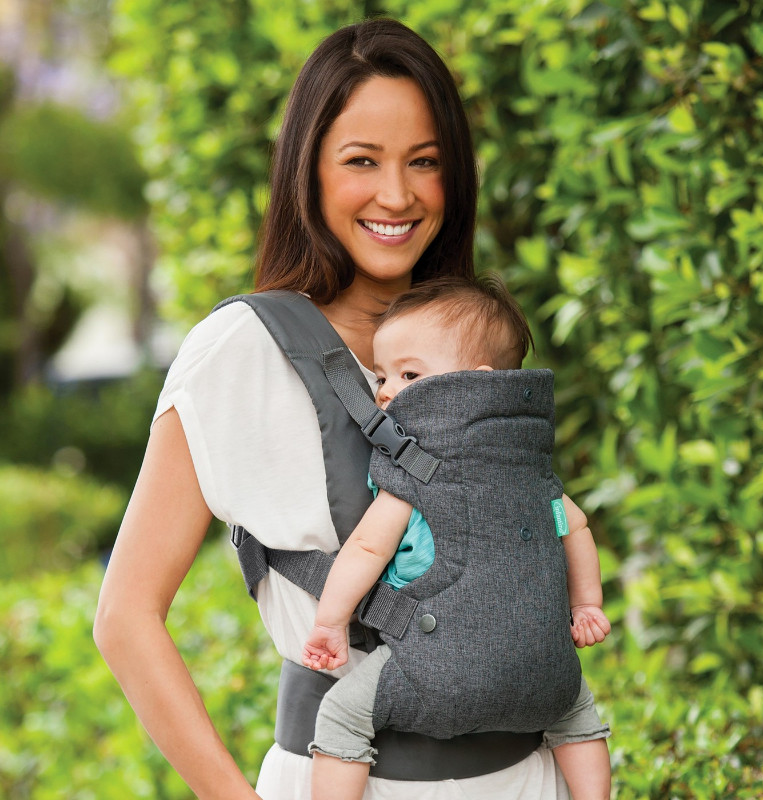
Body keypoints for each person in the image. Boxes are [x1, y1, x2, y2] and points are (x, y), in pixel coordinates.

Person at [94, 17, 577, 800]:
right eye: (362, 160)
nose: (398, 194)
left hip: (526, 778)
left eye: (425, 162)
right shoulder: (242, 351)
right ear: (308, 173)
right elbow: (125, 615)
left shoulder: (473, 342)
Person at [302, 276, 612, 800]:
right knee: (577, 715)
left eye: (409, 374)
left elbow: (367, 548)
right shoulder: (531, 471)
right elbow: (576, 527)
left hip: (436, 672)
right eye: (381, 375)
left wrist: (330, 623)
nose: (385, 391)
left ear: (474, 383)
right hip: (546, 671)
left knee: (340, 717)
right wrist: (586, 605)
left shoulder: (417, 472)